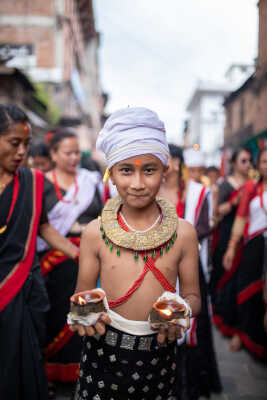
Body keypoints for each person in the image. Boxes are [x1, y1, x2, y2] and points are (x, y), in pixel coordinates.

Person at [69, 107, 201, 399]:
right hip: (102, 354)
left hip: (159, 356)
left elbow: (193, 297)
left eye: (149, 169)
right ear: (111, 174)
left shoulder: (184, 233)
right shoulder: (95, 232)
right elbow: (82, 293)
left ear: (165, 171)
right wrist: (83, 314)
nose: (138, 183)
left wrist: (182, 310)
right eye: (126, 170)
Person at [0, 104, 79, 400]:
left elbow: (43, 227)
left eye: (26, 144)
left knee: (26, 356)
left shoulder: (32, 181)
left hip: (25, 284)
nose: (22, 151)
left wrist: (76, 253)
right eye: (14, 143)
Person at [37, 131, 103, 392]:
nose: (74, 158)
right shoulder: (41, 183)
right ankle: (50, 373)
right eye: (68, 153)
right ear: (53, 154)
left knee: (88, 312)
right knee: (55, 314)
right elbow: (41, 225)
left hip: (89, 256)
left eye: (77, 152)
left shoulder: (91, 181)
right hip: (54, 260)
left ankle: (83, 371)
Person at [159, 144, 222, 400]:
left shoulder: (198, 192)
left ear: (177, 162)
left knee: (191, 318)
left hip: (189, 262)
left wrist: (181, 240)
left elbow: (205, 226)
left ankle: (188, 386)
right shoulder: (152, 188)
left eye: (169, 160)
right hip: (160, 264)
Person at [223, 147, 267, 359]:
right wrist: (231, 247)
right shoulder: (251, 187)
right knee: (247, 291)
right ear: (258, 165)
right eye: (265, 161)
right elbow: (241, 218)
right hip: (253, 248)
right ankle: (242, 333)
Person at [210, 148, 252, 350]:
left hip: (247, 234)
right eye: (244, 161)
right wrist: (236, 200)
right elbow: (217, 210)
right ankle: (220, 314)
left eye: (249, 161)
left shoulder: (254, 185)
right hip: (227, 231)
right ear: (234, 163)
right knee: (223, 274)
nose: (248, 165)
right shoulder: (226, 184)